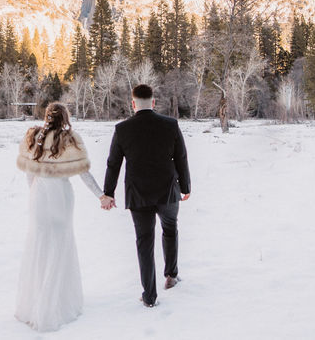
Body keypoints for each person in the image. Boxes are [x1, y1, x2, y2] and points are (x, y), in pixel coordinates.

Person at [15, 101, 103, 331]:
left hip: (39, 195)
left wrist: (34, 193)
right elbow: (84, 173)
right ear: (65, 117)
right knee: (60, 245)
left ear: (47, 116)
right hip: (60, 196)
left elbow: (29, 175)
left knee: (39, 245)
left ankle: (35, 303)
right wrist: (101, 196)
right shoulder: (70, 139)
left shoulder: (34, 137)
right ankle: (57, 303)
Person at [101, 83, 191, 308]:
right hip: (167, 190)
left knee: (144, 241)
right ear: (153, 102)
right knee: (170, 230)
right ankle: (171, 275)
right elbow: (181, 157)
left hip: (138, 193)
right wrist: (186, 186)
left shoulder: (122, 129)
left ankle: (149, 296)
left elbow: (113, 164)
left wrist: (108, 192)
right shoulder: (170, 125)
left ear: (133, 104)